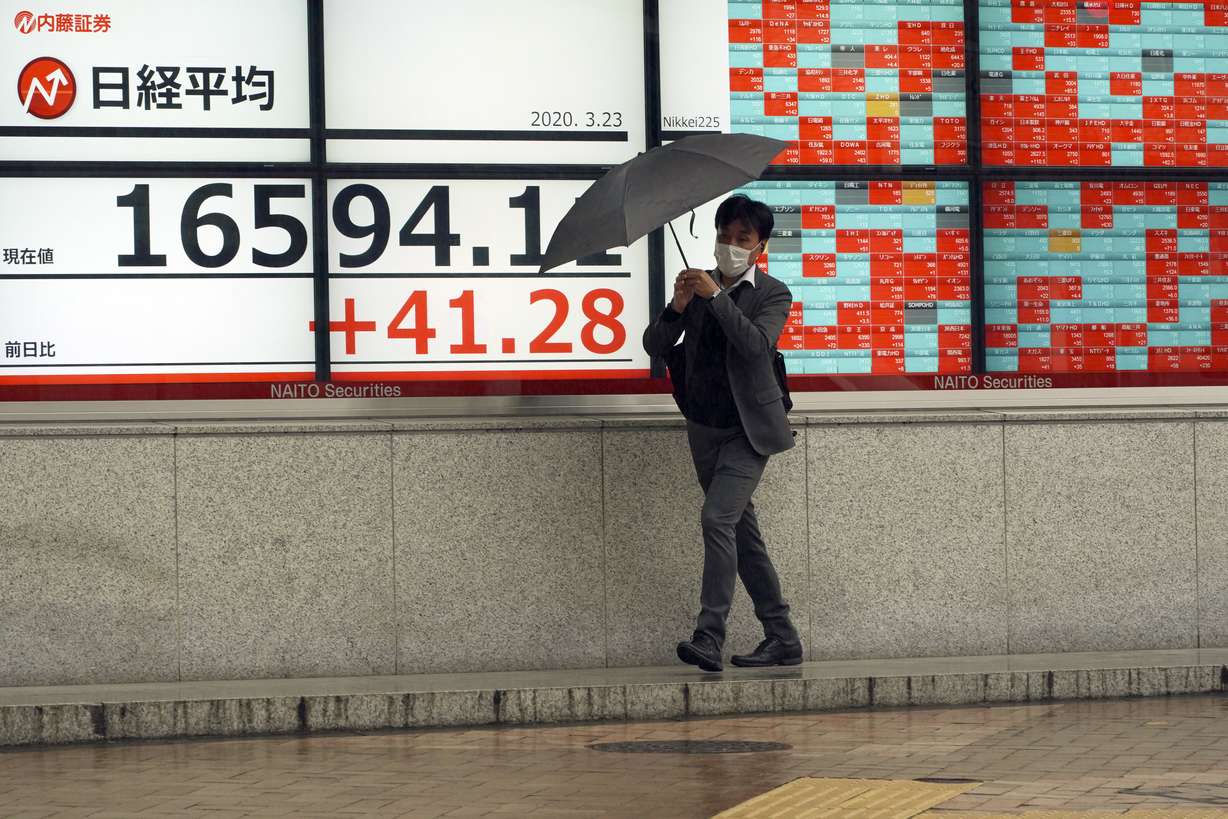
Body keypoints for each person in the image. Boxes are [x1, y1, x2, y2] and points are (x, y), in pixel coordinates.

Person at [642, 194, 803, 672]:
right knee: (741, 536)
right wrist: (677, 307)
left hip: (749, 431)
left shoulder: (773, 294)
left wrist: (716, 297)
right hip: (704, 429)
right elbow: (655, 345)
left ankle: (708, 636)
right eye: (724, 236)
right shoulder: (698, 284)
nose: (730, 245)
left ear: (761, 247)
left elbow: (756, 347)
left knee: (716, 520)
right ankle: (782, 636)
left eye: (742, 239)